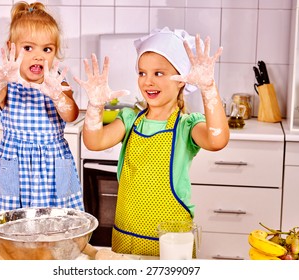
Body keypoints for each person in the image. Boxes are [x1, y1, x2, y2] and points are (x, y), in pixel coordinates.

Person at [74, 27, 229, 256]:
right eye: (142, 73)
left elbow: (217, 140)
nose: (148, 81)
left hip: (172, 244)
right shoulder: (129, 120)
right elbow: (94, 142)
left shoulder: (187, 126)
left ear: (181, 80)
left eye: (158, 73)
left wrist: (208, 89)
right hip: (126, 238)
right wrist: (96, 106)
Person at [0, 1, 84, 232]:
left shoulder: (57, 82)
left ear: (55, 52)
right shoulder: (7, 85)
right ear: (11, 48)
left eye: (47, 49)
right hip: (16, 166)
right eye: (28, 48)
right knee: (14, 229)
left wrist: (58, 95)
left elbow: (71, 114)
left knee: (56, 229)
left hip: (53, 167)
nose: (38, 56)